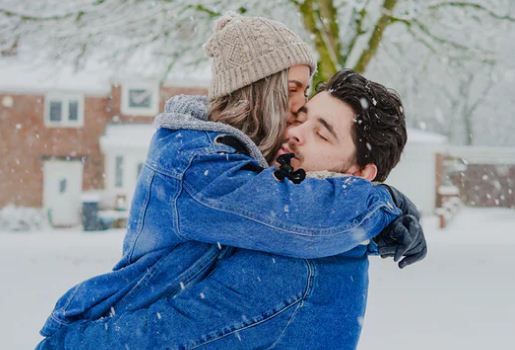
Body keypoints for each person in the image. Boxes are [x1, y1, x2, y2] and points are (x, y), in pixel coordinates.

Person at [37, 14, 425, 349]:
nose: (294, 130)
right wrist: (384, 206)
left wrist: (67, 343)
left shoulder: (295, 262)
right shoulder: (214, 172)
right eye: (300, 114)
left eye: (322, 134)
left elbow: (166, 337)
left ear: (360, 176)